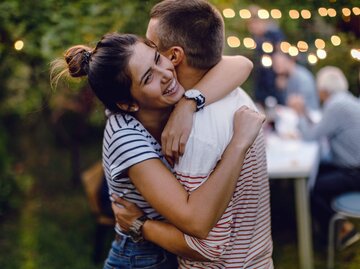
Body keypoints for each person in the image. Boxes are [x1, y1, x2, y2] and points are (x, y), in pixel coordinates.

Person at [52, 29, 262, 269]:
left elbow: (241, 64)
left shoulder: (169, 91)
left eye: (156, 58)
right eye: (147, 78)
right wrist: (239, 144)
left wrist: (188, 103)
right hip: (143, 259)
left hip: (173, 250)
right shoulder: (125, 138)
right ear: (127, 104)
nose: (166, 74)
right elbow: (196, 222)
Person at [112, 1, 273, 268]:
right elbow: (240, 63)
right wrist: (188, 102)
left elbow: (208, 244)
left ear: (173, 57)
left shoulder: (195, 134)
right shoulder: (233, 94)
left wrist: (140, 224)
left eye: (152, 48)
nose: (144, 48)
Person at [289, 66, 360, 248]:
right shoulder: (344, 101)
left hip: (354, 172)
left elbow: (310, 136)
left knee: (311, 189)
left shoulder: (336, 106)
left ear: (323, 91)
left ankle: (343, 230)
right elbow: (320, 129)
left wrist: (298, 113)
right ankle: (327, 230)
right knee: (317, 171)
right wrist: (304, 113)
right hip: (351, 166)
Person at [247, 4, 285, 106]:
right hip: (261, 75)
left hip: (272, 75)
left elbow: (280, 53)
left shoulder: (273, 34)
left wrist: (281, 75)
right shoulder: (257, 37)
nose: (252, 27)